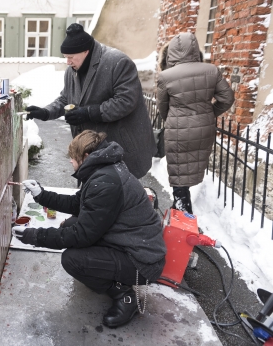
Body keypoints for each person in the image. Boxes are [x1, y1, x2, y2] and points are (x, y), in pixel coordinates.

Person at [13, 130, 166, 328]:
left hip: (142, 260)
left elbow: (82, 235)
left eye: (72, 157)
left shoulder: (105, 182)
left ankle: (125, 297)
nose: (70, 161)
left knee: (73, 259)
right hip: (130, 242)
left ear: (85, 157)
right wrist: (41, 194)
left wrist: (36, 236)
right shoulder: (105, 170)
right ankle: (114, 279)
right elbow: (79, 203)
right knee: (70, 224)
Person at [25, 23, 156, 179]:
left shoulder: (117, 62)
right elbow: (66, 99)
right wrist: (45, 112)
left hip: (117, 147)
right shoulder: (71, 71)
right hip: (90, 150)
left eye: (71, 57)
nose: (68, 62)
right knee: (94, 195)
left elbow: (126, 101)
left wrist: (88, 113)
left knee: (117, 195)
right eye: (66, 57)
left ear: (86, 51)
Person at [157, 32, 234, 214]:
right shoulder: (211, 71)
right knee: (190, 169)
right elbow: (227, 99)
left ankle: (183, 215)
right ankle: (181, 211)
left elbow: (163, 108)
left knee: (179, 175)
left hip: (178, 131)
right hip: (203, 130)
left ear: (173, 52)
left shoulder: (166, 76)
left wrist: (174, 121)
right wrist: (207, 114)